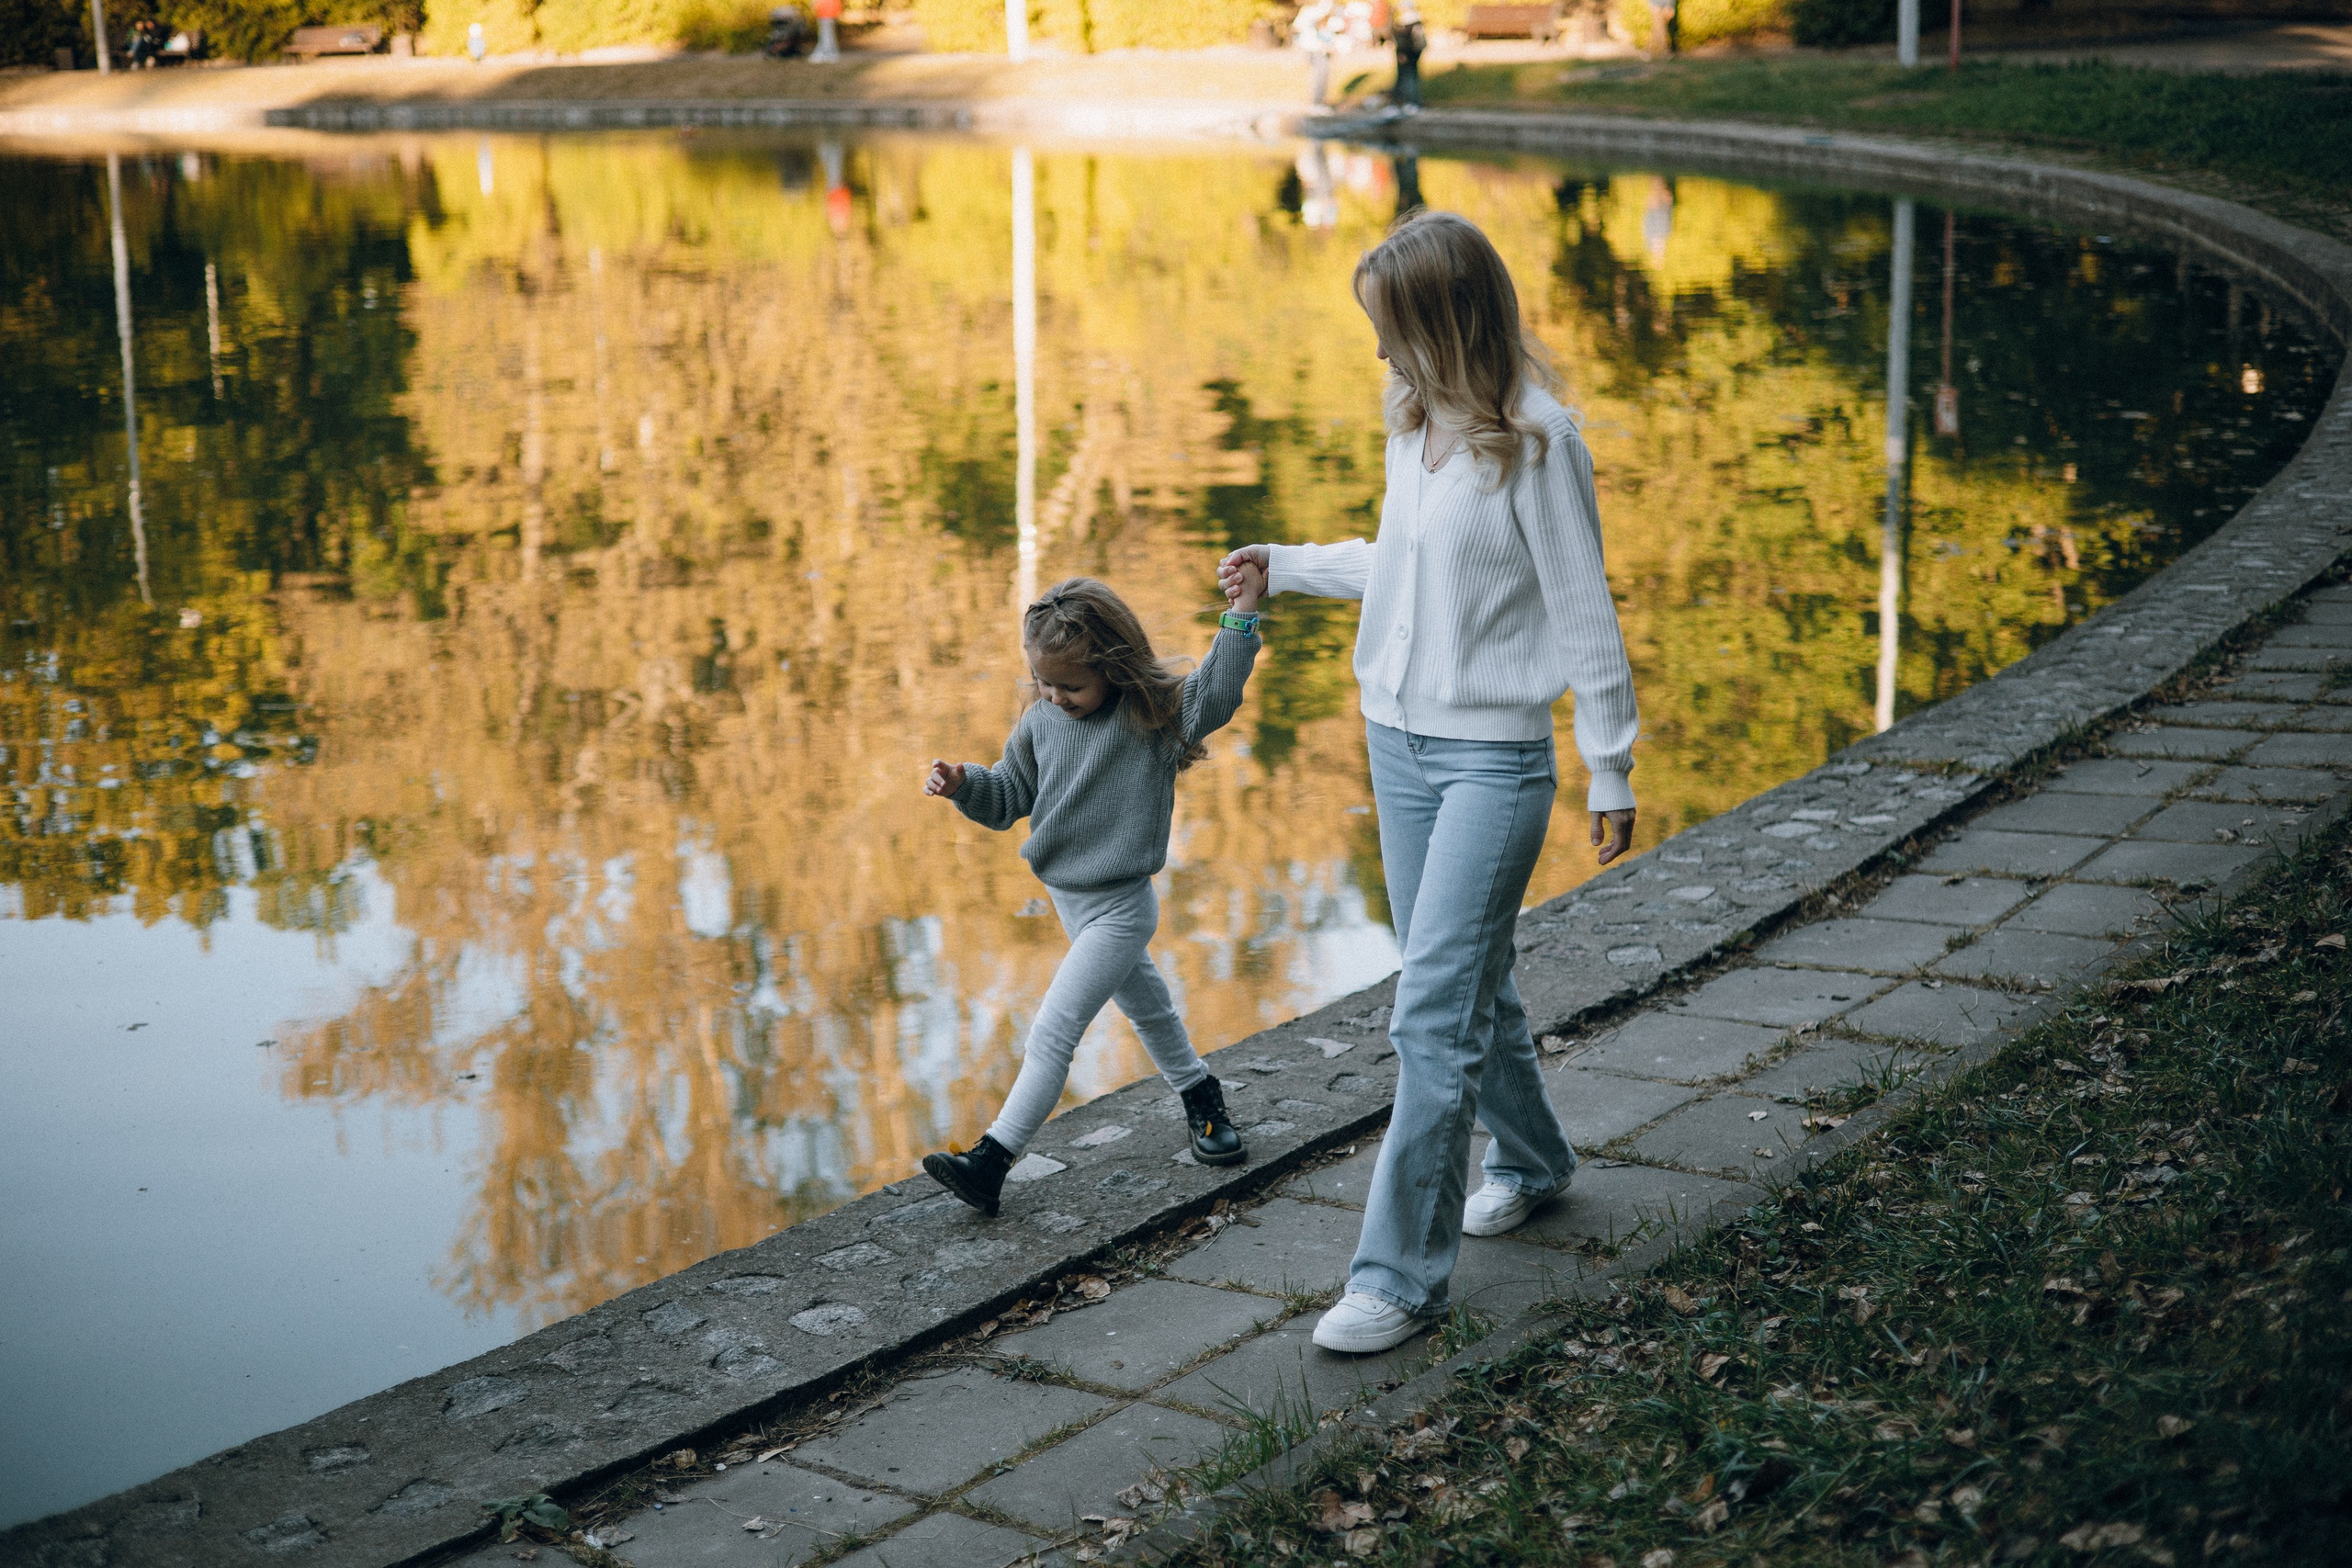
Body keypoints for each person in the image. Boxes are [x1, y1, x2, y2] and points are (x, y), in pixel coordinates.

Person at [1217, 210, 1638, 1354]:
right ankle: (1537, 1160)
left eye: (1390, 332)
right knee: (1464, 981)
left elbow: (1584, 611)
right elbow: (1399, 562)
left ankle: (1398, 1279)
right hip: (1392, 747)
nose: (1377, 355)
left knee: (1427, 1016)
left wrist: (1609, 766)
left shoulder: (1540, 443)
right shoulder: (1415, 426)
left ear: (1446, 325)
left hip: (1493, 762)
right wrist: (1288, 566)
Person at [920, 574, 1268, 1216]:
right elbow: (1007, 799)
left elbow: (1216, 693)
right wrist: (965, 783)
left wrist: (1241, 614)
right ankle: (1203, 1100)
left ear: (1113, 665)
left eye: (1070, 685)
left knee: (1054, 1030)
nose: (1055, 695)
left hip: (1119, 907)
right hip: (1067, 900)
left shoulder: (1151, 717)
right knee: (1152, 1011)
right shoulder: (1040, 723)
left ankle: (991, 1162)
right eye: (1044, 682)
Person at [1295, 0, 1339, 112]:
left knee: (1320, 74)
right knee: (1320, 75)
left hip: (1313, 47)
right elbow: (1315, 31)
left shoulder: (1307, 11)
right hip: (1316, 49)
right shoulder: (1315, 13)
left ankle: (1318, 102)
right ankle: (1316, 104)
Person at [1390, 4, 1426, 114]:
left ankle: (1411, 102)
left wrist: (1403, 54)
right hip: (1409, 54)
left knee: (1408, 77)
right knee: (1408, 77)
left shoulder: (1409, 24)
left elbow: (1409, 42)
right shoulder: (1414, 24)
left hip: (1408, 55)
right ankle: (1406, 102)